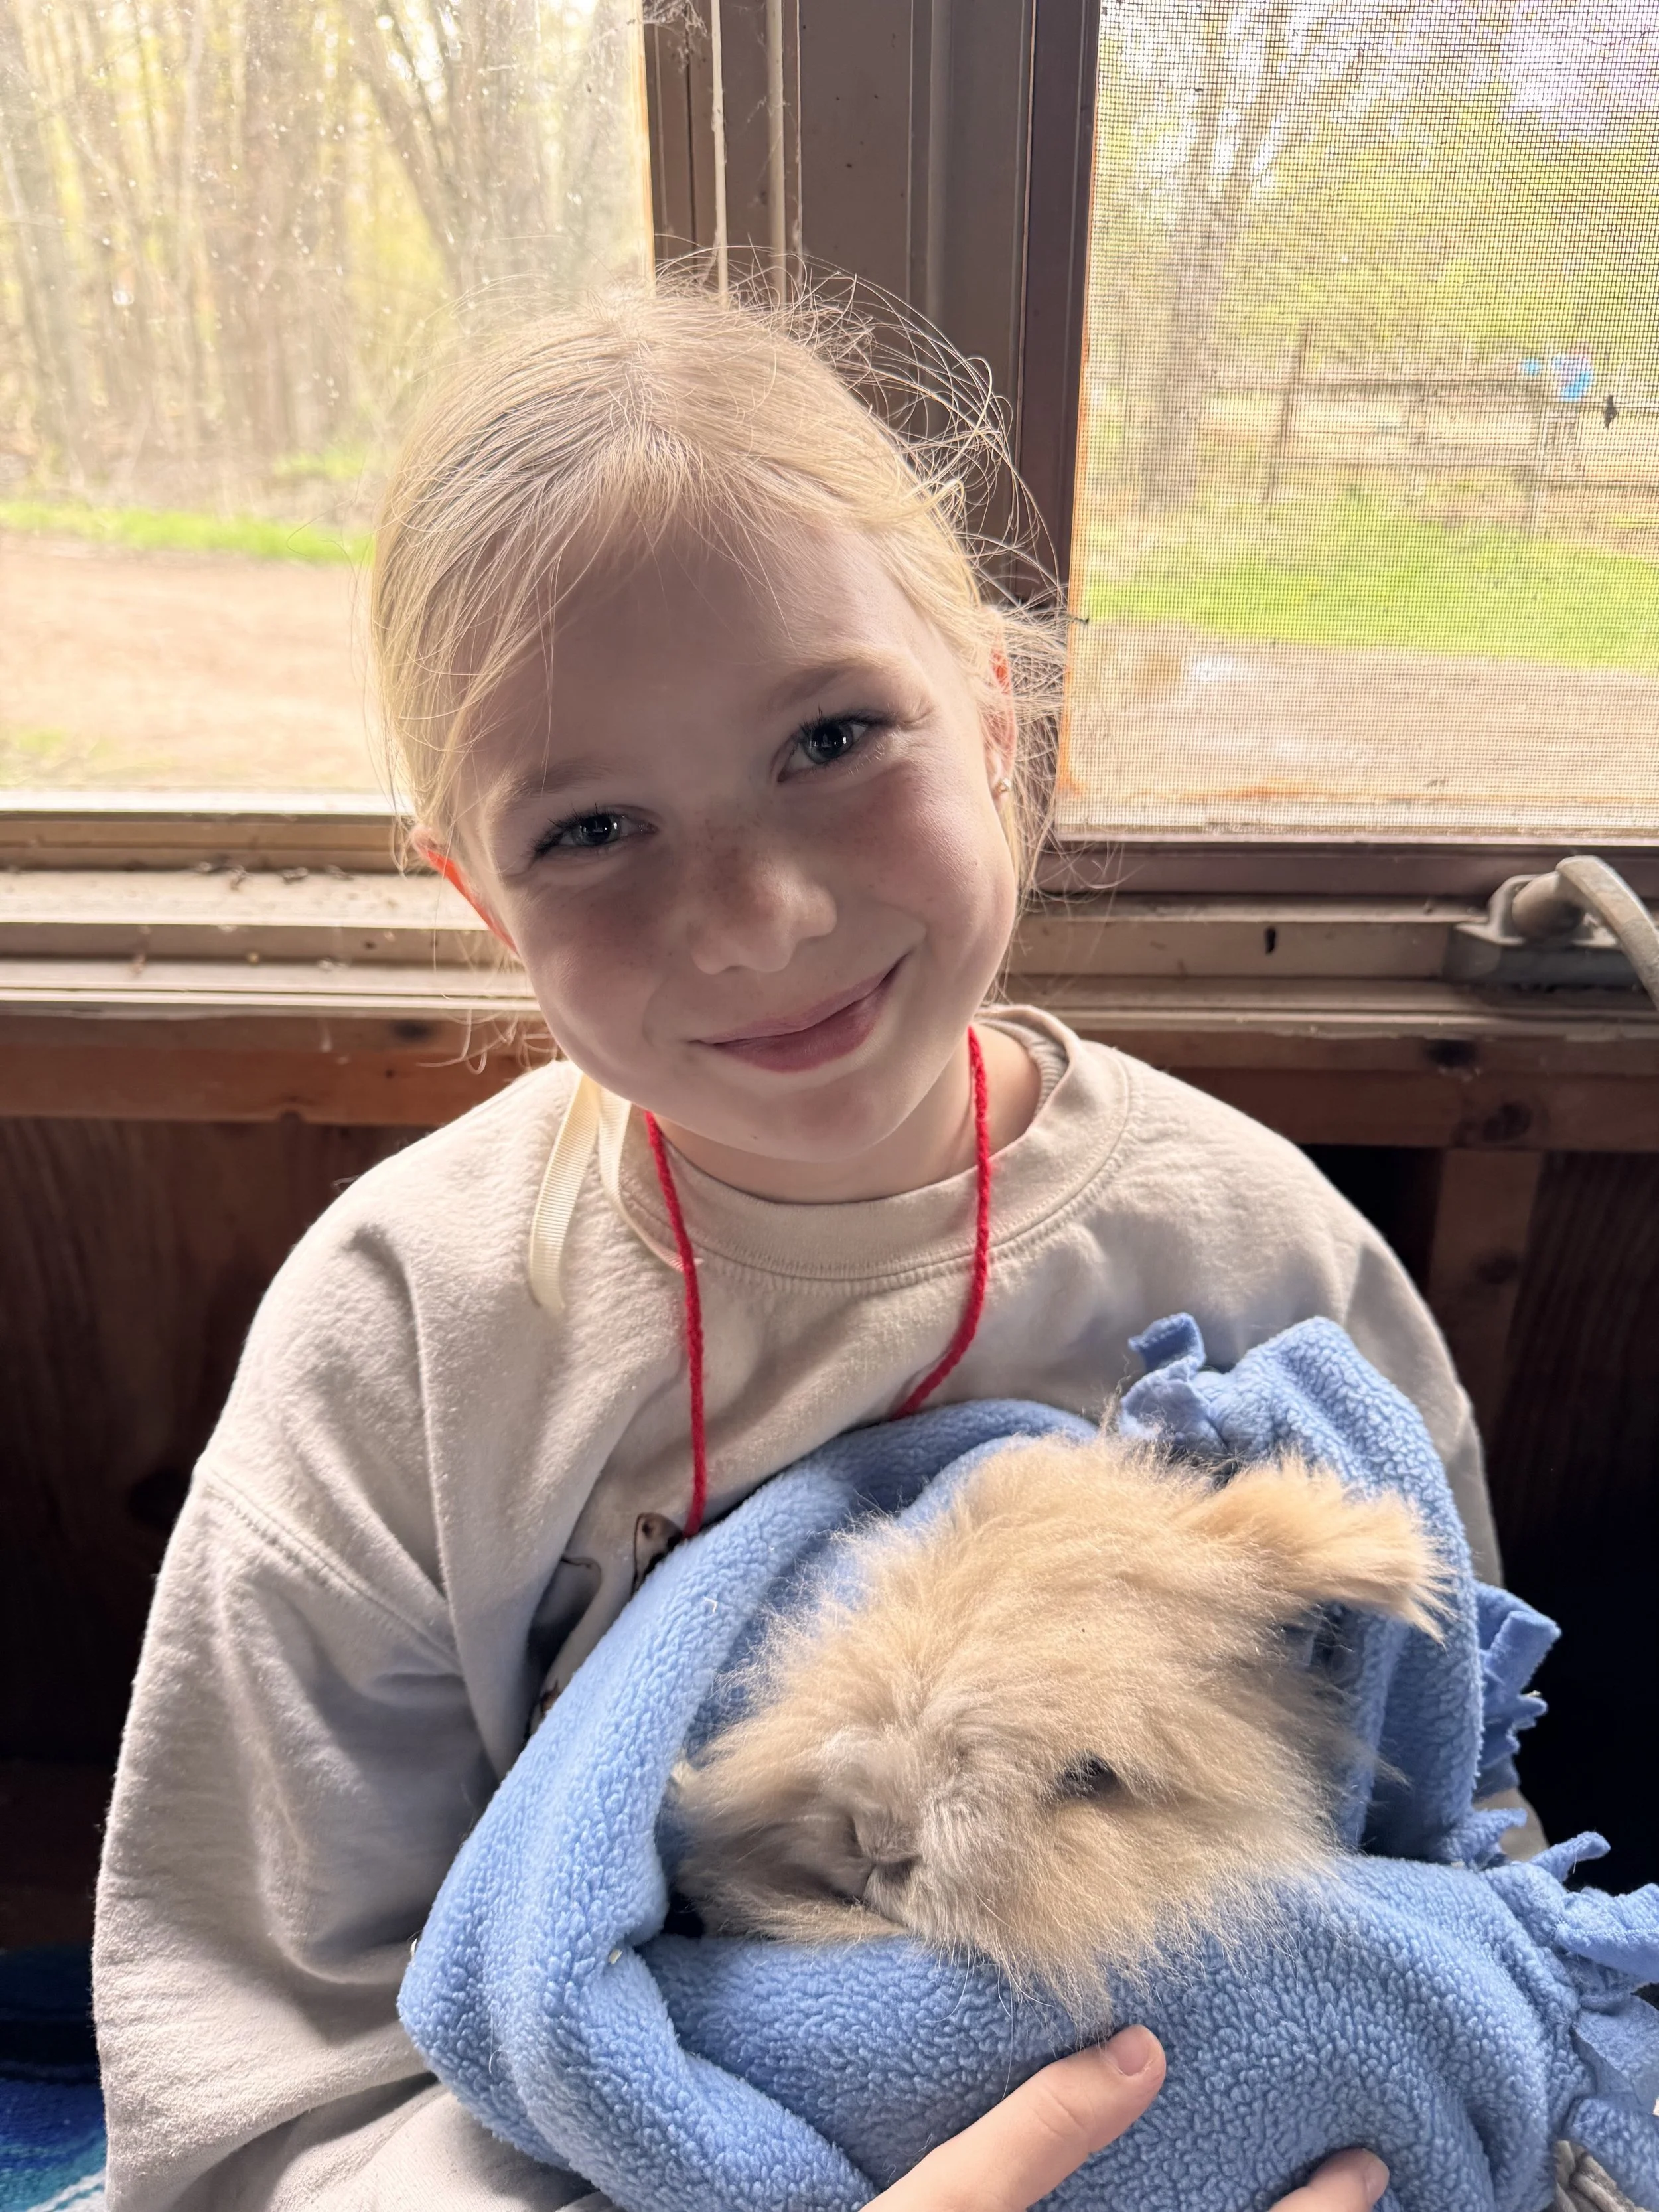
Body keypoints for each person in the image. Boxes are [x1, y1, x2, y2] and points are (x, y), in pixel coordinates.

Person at [94, 283, 1496, 2211]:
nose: (750, 915)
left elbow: (1454, 1830)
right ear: (476, 899)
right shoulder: (405, 1327)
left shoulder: (1270, 1261)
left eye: (832, 733)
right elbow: (256, 2079)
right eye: (588, 827)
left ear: (996, 720)